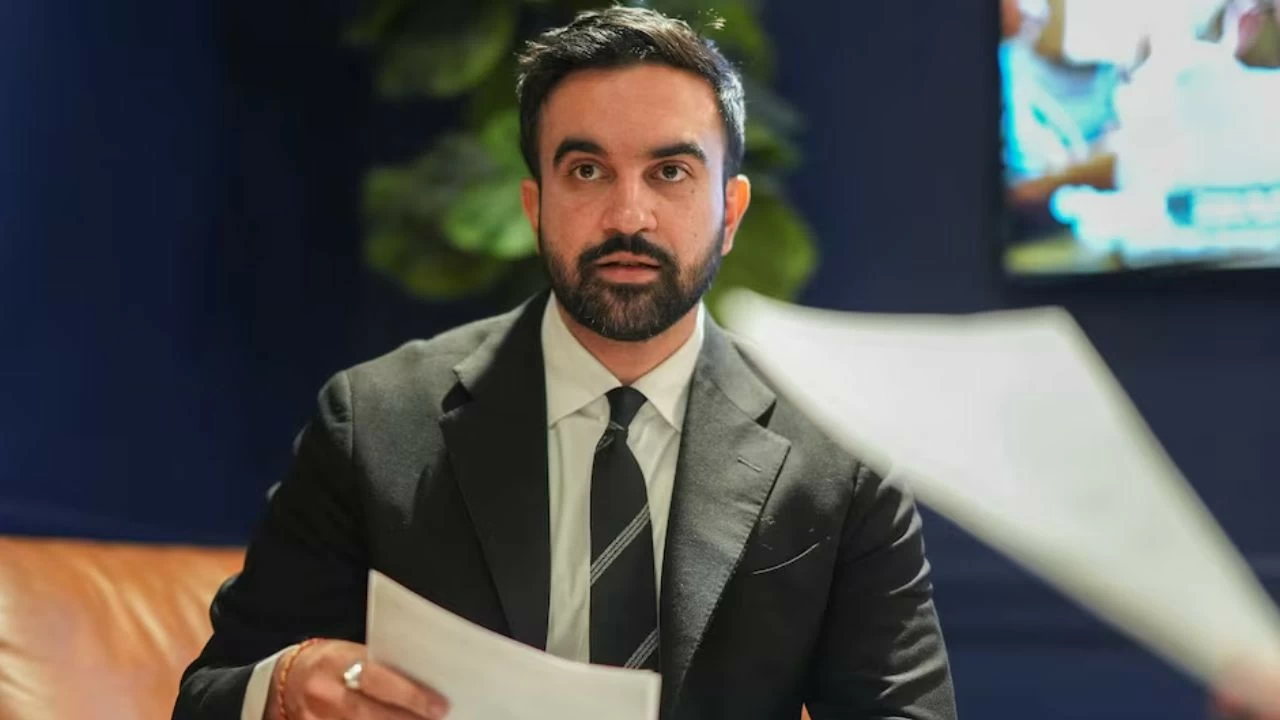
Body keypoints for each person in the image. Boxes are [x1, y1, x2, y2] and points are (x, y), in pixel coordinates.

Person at [171, 7, 957, 720]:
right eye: (586, 171)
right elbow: (209, 696)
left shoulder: (839, 448)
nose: (627, 215)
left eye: (671, 172)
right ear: (534, 205)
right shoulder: (374, 424)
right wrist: (288, 683)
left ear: (730, 212)